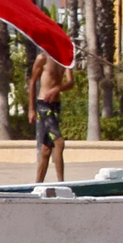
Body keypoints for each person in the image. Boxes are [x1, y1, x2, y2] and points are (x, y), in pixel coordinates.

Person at [29, 50, 74, 183]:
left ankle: (38, 184)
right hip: (44, 105)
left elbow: (71, 82)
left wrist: (57, 88)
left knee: (46, 149)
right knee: (59, 142)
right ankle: (62, 182)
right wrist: (31, 109)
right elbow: (32, 82)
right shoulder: (42, 58)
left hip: (55, 105)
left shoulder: (64, 59)